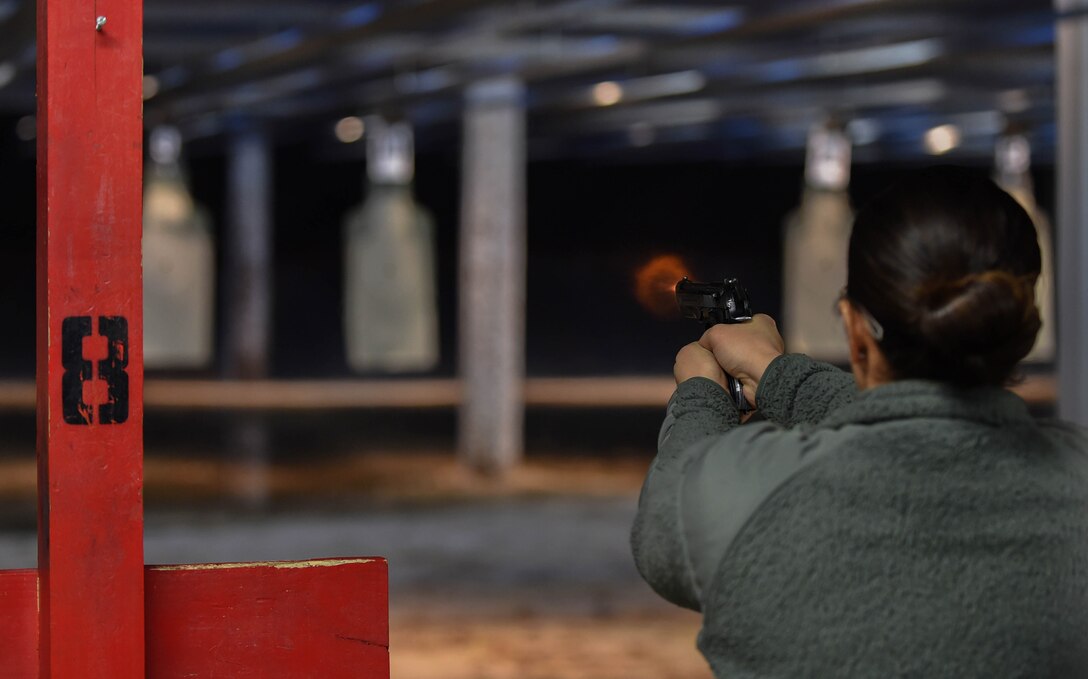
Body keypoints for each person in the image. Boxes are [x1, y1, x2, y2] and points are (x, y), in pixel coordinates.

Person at [631, 167, 1088, 678]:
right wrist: (786, 379)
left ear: (855, 329)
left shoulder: (751, 496)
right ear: (1026, 328)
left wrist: (701, 395)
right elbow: (927, 422)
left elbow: (668, 509)